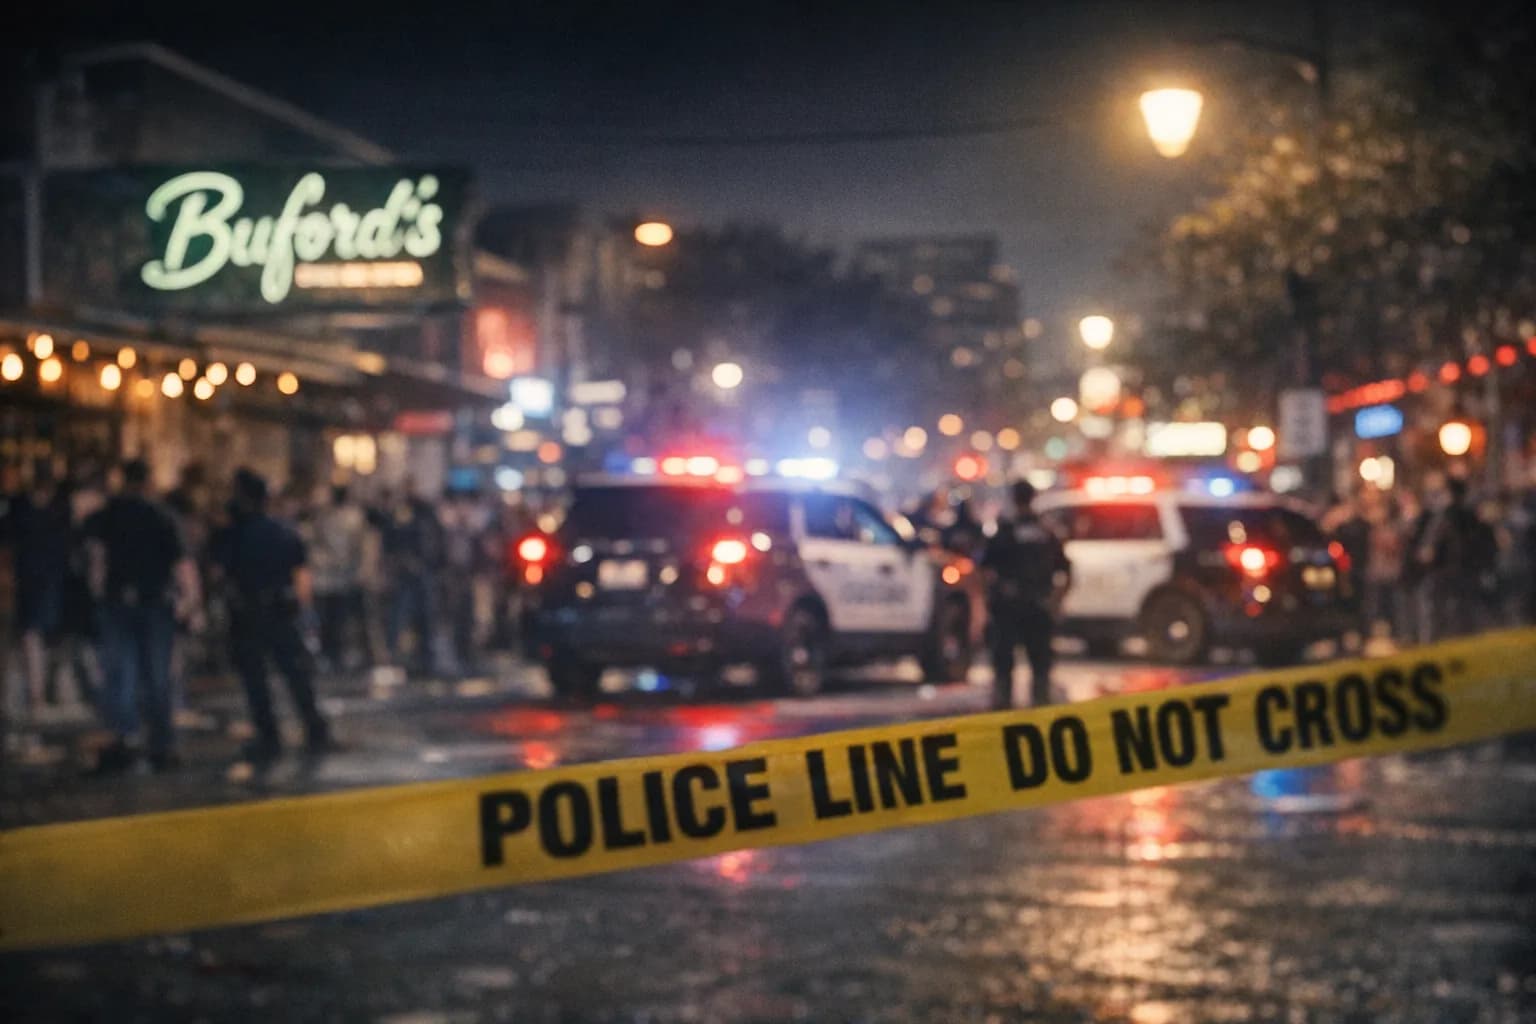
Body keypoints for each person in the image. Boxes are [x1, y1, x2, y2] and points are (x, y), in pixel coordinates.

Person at [83, 458, 200, 773]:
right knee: (157, 674)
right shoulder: (162, 516)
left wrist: (100, 596)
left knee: (121, 672)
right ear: (148, 480)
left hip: (118, 602)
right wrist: (190, 601)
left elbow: (97, 561)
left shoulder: (107, 515)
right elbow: (182, 564)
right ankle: (161, 743)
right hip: (155, 603)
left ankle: (125, 738)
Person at [212, 468, 335, 762]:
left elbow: (218, 573)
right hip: (280, 611)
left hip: (249, 613)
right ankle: (313, 726)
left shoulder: (234, 533)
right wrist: (303, 609)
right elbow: (301, 575)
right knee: (294, 672)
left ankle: (270, 735)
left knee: (258, 679)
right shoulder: (282, 530)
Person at [981, 480, 1071, 710]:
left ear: (1014, 498)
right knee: (1040, 666)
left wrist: (987, 601)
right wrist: (1056, 602)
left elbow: (984, 567)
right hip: (1039, 605)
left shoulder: (1005, 530)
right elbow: (1066, 570)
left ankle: (1003, 712)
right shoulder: (1046, 531)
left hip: (1008, 606)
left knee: (1004, 665)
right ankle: (1040, 710)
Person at [1, 466, 73, 716]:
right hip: (47, 582)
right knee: (39, 639)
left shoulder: (22, 509)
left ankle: (38, 695)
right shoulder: (58, 511)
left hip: (32, 582)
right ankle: (40, 695)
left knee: (32, 639)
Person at [308, 484, 369, 672]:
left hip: (341, 578)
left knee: (339, 620)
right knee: (329, 620)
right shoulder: (324, 518)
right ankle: (330, 655)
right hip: (329, 578)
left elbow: (358, 548)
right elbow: (315, 543)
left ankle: (337, 655)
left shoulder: (352, 518)